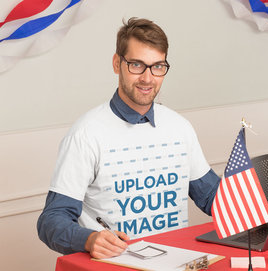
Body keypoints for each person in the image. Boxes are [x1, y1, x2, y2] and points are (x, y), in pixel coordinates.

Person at [37, 17, 221, 259]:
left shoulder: (180, 127)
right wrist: (89, 239)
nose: (147, 78)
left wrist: (258, 211)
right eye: (136, 65)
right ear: (117, 63)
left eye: (157, 66)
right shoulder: (86, 134)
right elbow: (51, 220)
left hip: (178, 261)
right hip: (116, 264)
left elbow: (210, 195)